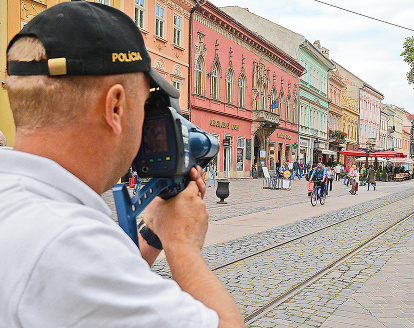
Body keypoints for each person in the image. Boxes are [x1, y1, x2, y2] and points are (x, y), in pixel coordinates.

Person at [0, 3, 244, 328]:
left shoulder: (21, 201)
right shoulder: (69, 242)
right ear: (115, 106)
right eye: (144, 105)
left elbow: (112, 287)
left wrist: (155, 234)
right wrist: (181, 245)